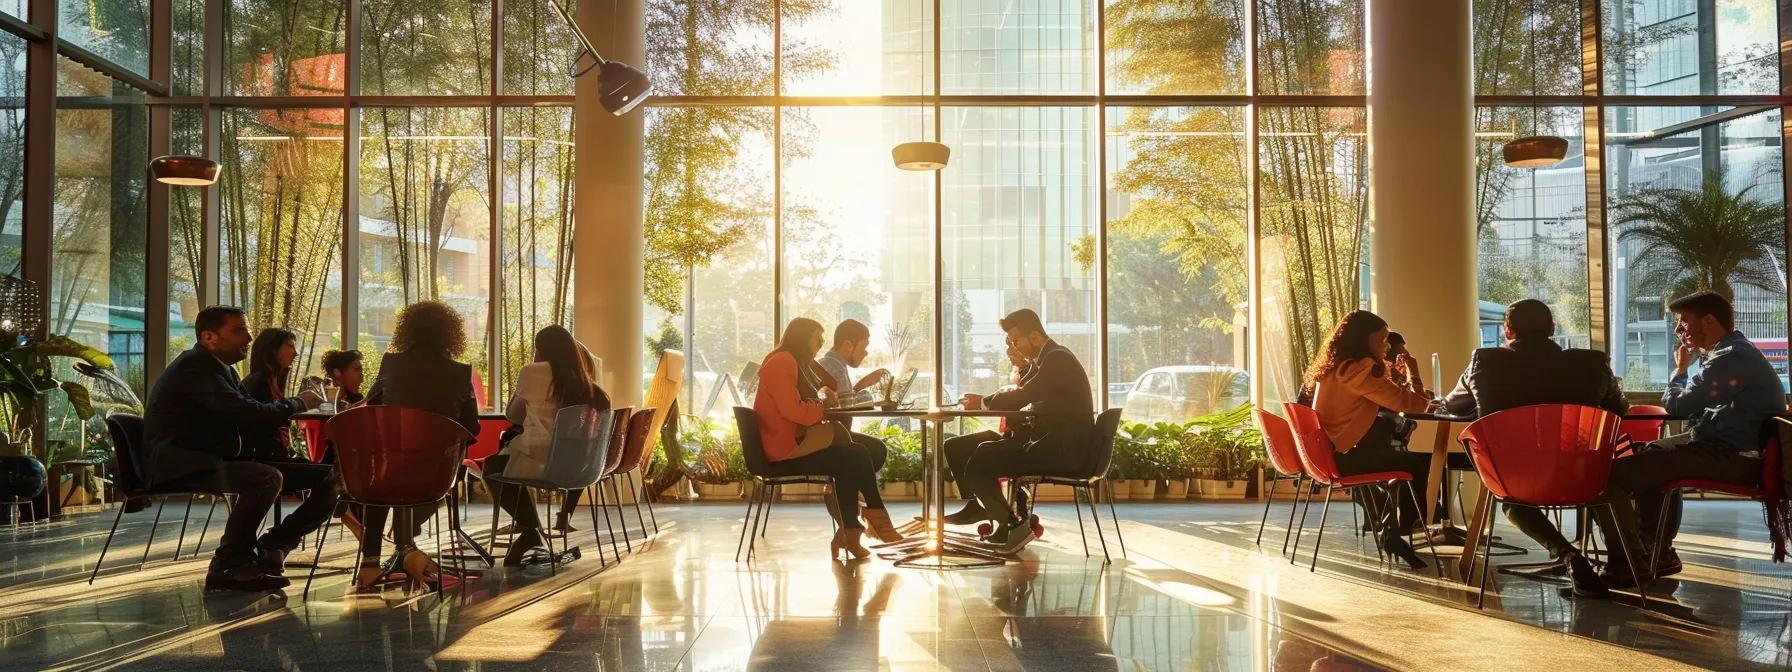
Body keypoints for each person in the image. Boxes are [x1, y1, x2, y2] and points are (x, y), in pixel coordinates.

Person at [1440, 299, 1629, 597]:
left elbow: (1452, 405)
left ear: (1507, 330)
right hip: (1581, 474)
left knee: (1512, 501)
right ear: (1552, 328)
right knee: (1609, 484)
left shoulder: (1484, 361)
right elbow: (1619, 409)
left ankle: (1568, 555)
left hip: (1515, 476)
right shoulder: (1592, 363)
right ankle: (1626, 563)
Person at [1595, 291, 1784, 587]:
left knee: (1605, 477)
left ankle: (1628, 561)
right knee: (1651, 453)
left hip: (1733, 457)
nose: (1678, 330)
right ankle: (1656, 552)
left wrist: (1680, 370)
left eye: (1684, 321)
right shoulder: (1732, 353)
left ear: (1708, 321)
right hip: (1728, 449)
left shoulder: (1731, 358)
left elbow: (1678, 406)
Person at [142, 306, 321, 592]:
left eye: (247, 330)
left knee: (332, 476)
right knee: (266, 477)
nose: (249, 337)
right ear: (209, 337)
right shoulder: (195, 367)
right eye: (238, 331)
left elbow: (250, 413)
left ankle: (275, 544)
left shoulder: (220, 368)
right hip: (184, 462)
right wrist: (299, 403)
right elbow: (248, 412)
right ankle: (228, 565)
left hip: (207, 458)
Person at [941, 309, 1093, 555]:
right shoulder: (1050, 358)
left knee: (981, 459)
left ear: (1033, 336)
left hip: (1061, 452)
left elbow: (1024, 395)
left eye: (1015, 341)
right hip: (1054, 445)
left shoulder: (1057, 359)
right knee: (974, 449)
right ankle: (993, 513)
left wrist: (983, 403)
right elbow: (1027, 391)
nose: (1013, 347)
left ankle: (1011, 525)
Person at [753, 317, 904, 558]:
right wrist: (822, 405)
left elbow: (828, 386)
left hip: (798, 437)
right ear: (803, 339)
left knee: (872, 448)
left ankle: (850, 530)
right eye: (818, 339)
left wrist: (819, 387)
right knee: (855, 454)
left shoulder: (797, 362)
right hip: (785, 447)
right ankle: (872, 517)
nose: (821, 344)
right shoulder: (781, 361)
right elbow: (795, 411)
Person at [361, 300, 482, 590]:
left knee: (380, 481)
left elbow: (372, 407)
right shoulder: (460, 373)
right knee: (433, 477)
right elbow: (472, 427)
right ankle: (406, 546)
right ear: (451, 334)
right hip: (436, 473)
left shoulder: (391, 364)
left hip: (389, 467)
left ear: (407, 331)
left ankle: (371, 562)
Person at [1306, 310, 1432, 569]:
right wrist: (1413, 372)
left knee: (1392, 457)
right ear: (1366, 339)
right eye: (1382, 339)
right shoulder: (1360, 370)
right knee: (1415, 464)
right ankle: (1402, 530)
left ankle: (1391, 531)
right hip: (1341, 459)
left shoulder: (1336, 367)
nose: (1386, 346)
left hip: (1326, 455)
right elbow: (1416, 405)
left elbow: (1385, 397)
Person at [486, 325, 613, 566]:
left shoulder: (532, 372)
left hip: (541, 461)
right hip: (582, 467)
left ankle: (531, 530)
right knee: (507, 464)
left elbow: (513, 415)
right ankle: (531, 531)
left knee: (492, 469)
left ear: (541, 350)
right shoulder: (589, 385)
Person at [817, 319, 891, 474]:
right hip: (831, 437)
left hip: (833, 434)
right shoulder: (833, 367)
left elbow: (842, 401)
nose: (866, 352)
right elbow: (843, 407)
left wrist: (860, 386)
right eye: (864, 346)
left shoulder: (834, 364)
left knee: (874, 449)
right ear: (848, 345)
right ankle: (849, 485)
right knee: (875, 450)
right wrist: (865, 390)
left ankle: (849, 485)